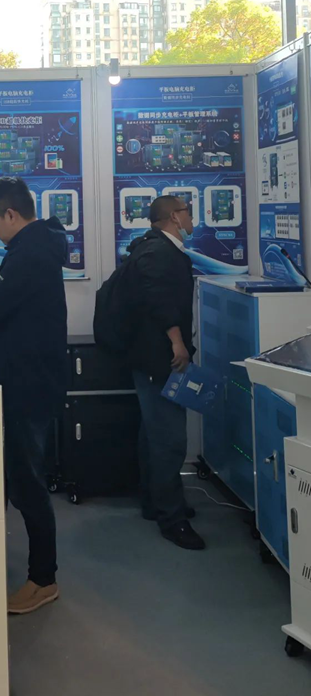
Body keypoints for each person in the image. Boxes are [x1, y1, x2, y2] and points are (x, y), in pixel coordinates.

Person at [0, 178, 68, 616]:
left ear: (11, 214)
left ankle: (42, 580)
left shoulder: (29, 252)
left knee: (28, 484)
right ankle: (34, 572)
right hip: (26, 380)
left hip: (26, 386)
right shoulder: (37, 246)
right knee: (19, 479)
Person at [125, 194, 204, 551]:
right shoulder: (160, 252)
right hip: (160, 358)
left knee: (152, 432)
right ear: (174, 216)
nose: (191, 219)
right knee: (169, 439)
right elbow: (158, 300)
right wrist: (177, 342)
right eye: (188, 213)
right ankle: (172, 520)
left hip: (149, 358)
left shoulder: (153, 247)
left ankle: (154, 503)